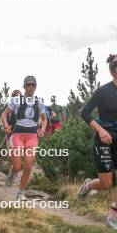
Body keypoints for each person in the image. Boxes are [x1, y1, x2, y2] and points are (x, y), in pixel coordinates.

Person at [77, 54, 117, 229]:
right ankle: (87, 186)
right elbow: (84, 112)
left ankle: (111, 219)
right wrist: (100, 130)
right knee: (106, 183)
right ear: (113, 71)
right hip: (104, 139)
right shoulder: (103, 91)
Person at [0, 75, 47, 201]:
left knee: (28, 164)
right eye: (28, 84)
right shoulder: (16, 100)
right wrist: (5, 124)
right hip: (18, 135)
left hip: (32, 136)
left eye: (33, 85)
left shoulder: (40, 101)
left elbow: (44, 119)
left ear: (36, 87)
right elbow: (4, 115)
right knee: (17, 167)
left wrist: (42, 129)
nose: (31, 87)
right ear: (24, 86)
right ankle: (12, 172)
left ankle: (20, 192)